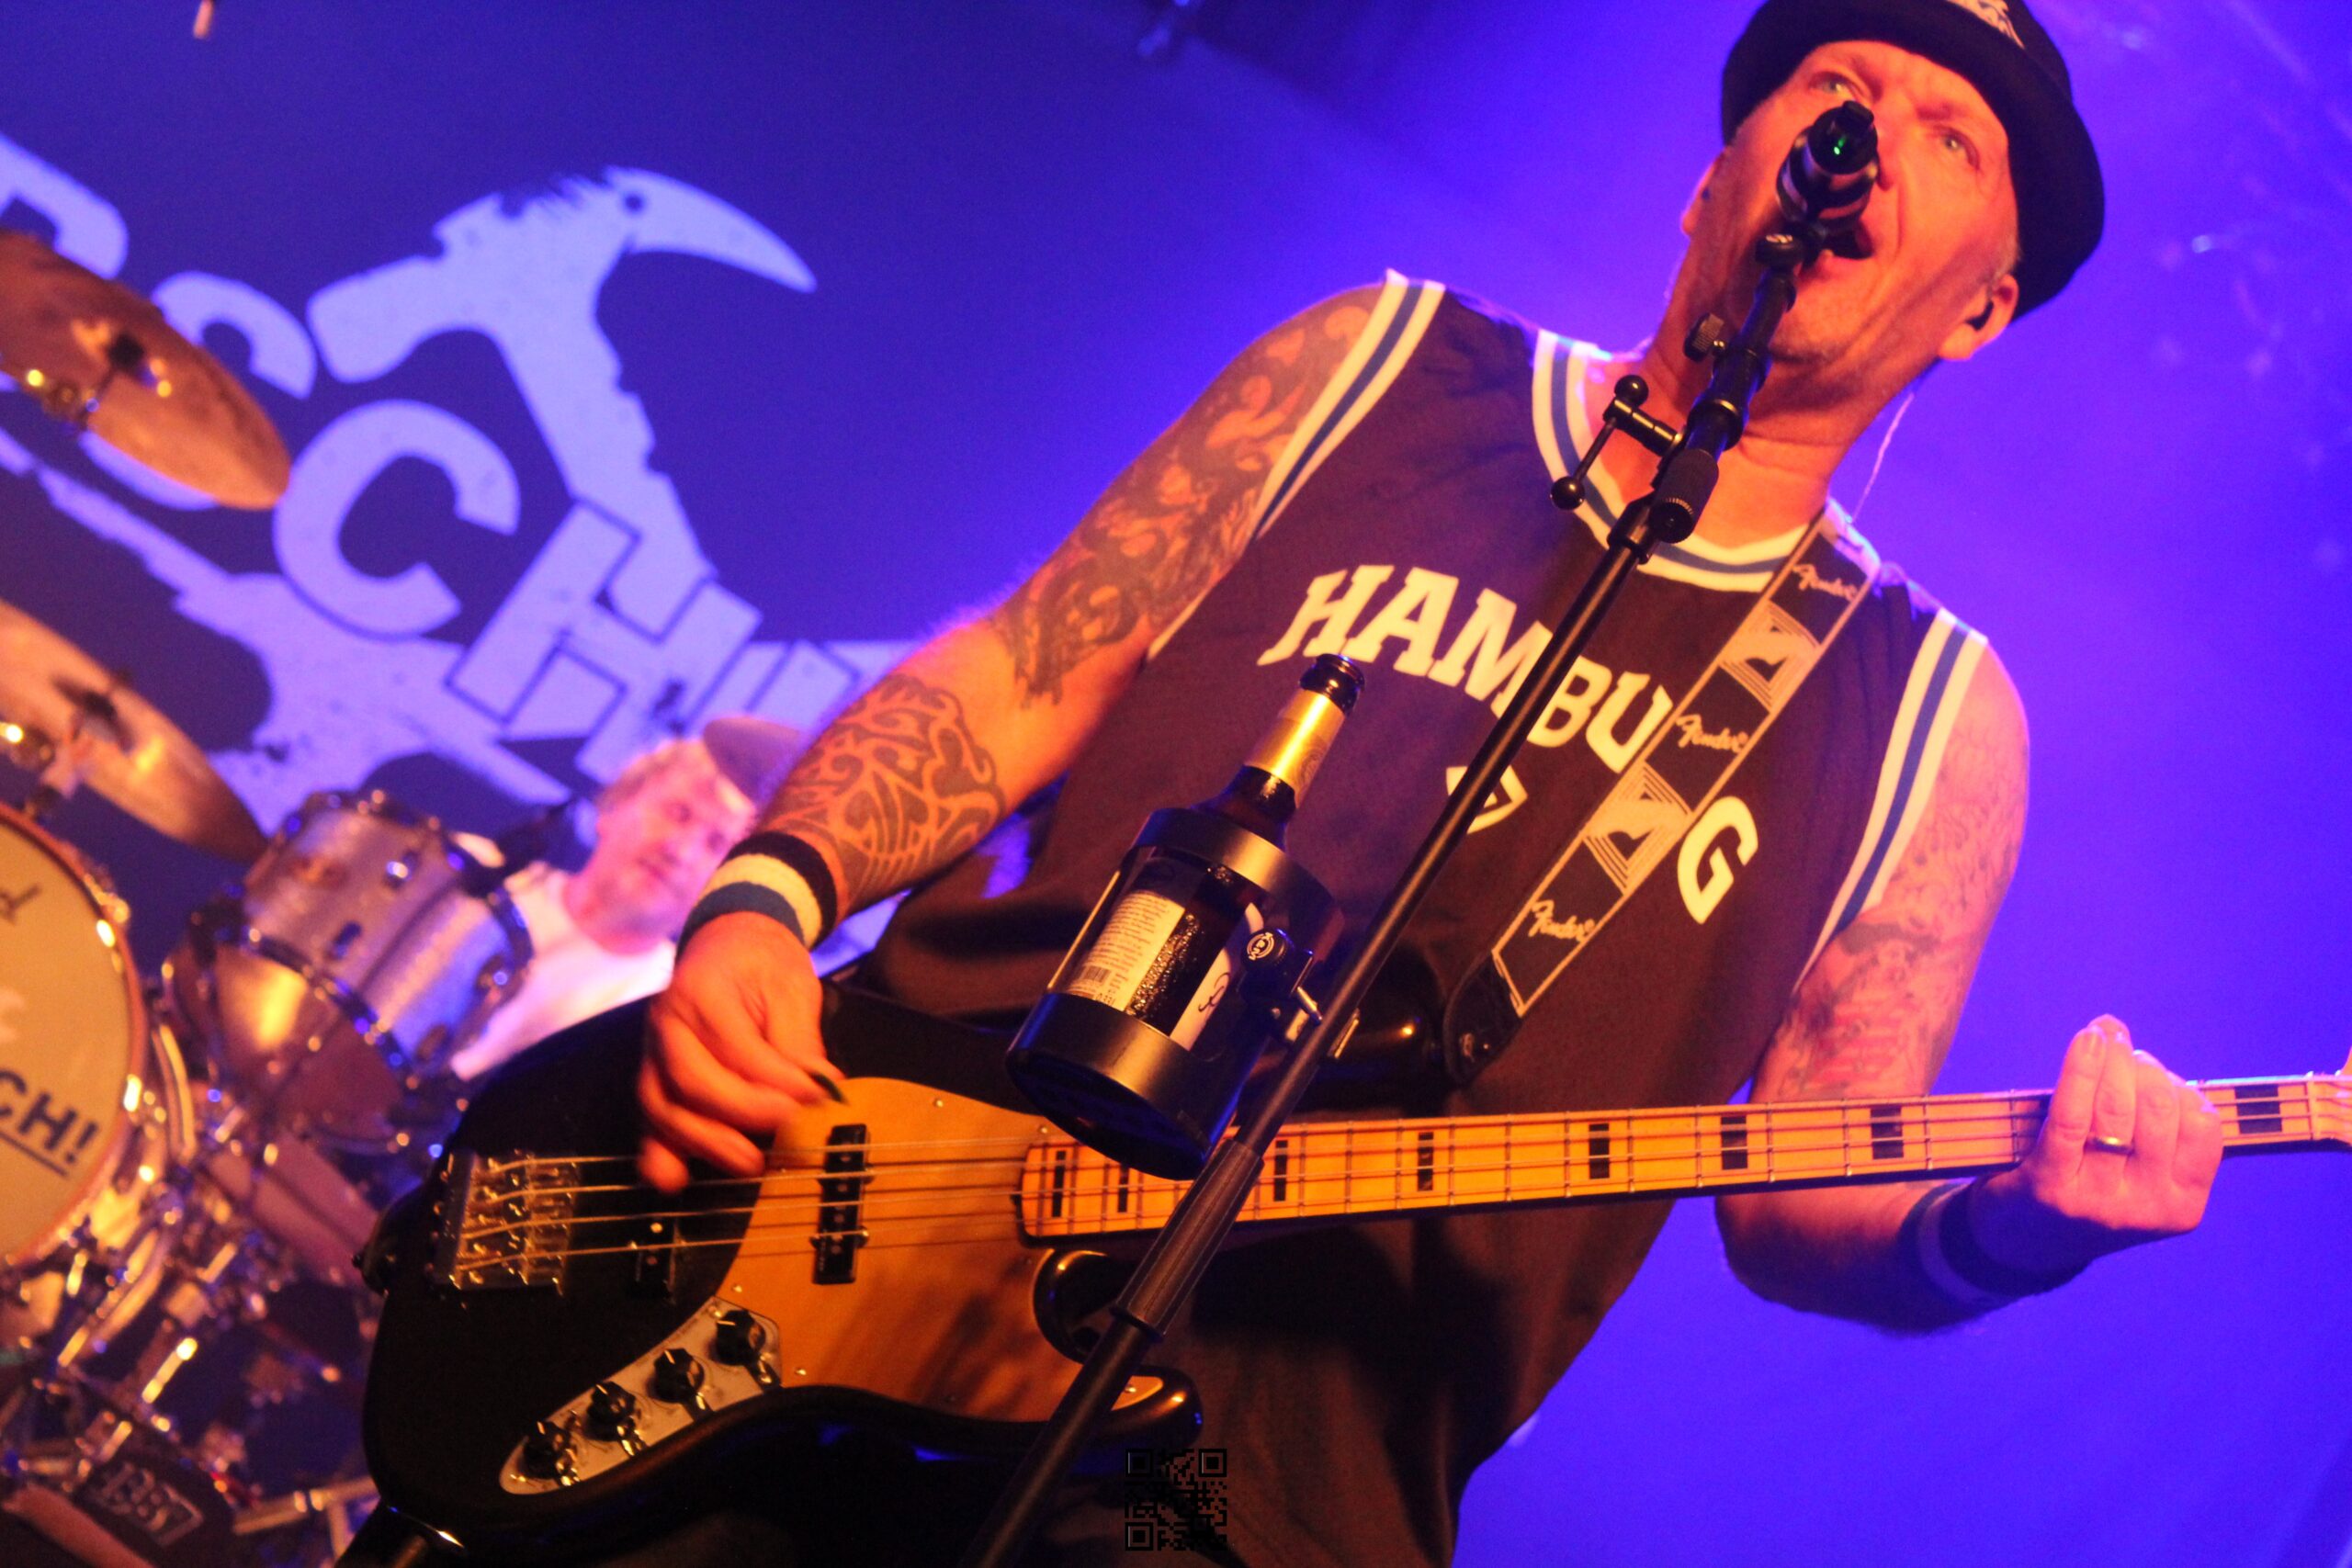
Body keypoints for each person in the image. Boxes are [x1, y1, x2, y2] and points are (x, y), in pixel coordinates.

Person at [637, 3, 2224, 1563]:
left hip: (1237, 1468)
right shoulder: (1381, 365)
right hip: (862, 1213)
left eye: (1952, 139)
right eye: (1838, 81)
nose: (1870, 136)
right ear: (1715, 176)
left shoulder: (1927, 713)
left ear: (1981, 311)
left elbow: (1805, 1186)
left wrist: (2015, 1227)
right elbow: (1024, 667)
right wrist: (765, 899)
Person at [448, 718, 798, 1082]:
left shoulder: (674, 1021)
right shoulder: (461, 876)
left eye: (716, 844)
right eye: (679, 813)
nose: (680, 852)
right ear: (614, 805)